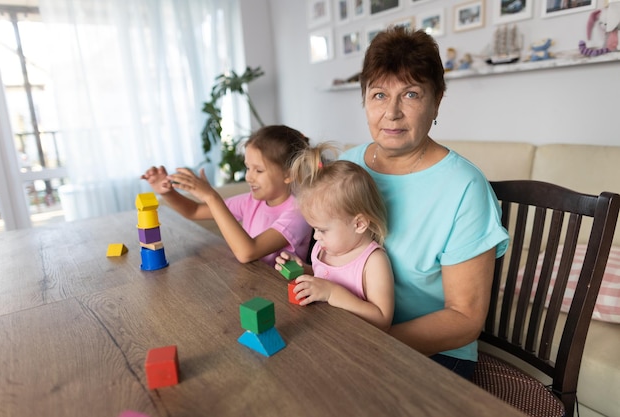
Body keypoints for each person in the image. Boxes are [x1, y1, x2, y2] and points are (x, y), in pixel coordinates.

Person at [339, 26, 510, 379]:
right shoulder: (347, 167)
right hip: (350, 332)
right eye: (379, 95)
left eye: (411, 94)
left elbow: (464, 320)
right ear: (364, 100)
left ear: (436, 102)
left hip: (434, 356)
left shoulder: (464, 187)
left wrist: (370, 343)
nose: (393, 112)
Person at [141, 125, 313, 267]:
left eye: (259, 170)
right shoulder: (250, 202)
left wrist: (211, 197)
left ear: (288, 174)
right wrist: (168, 192)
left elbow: (248, 252)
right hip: (253, 283)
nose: (249, 177)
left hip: (282, 295)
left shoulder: (298, 213)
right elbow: (194, 211)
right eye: (248, 168)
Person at [275, 143, 394, 331]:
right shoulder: (323, 248)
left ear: (359, 224)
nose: (316, 236)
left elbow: (382, 319)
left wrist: (332, 294)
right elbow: (321, 276)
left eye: (322, 230)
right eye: (314, 228)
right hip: (322, 332)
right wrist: (302, 269)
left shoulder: (373, 261)